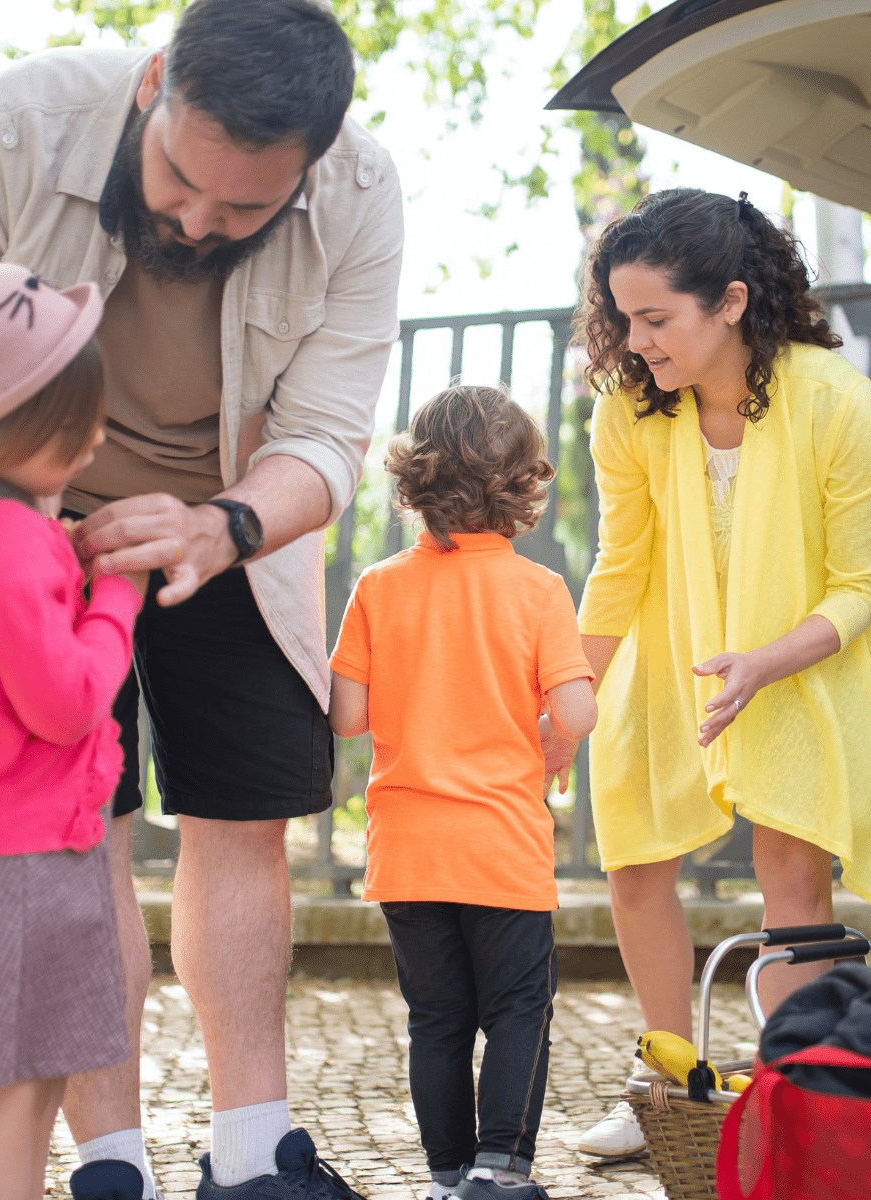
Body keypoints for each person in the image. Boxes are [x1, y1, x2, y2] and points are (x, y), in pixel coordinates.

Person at [0, 2, 403, 1196]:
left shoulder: (361, 196)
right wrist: (42, 543)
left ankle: (254, 1156)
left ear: (311, 169)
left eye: (244, 208)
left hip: (236, 516)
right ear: (150, 87)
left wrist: (219, 527)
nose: (197, 220)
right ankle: (109, 1164)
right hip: (23, 519)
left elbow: (332, 433)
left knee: (246, 816)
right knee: (83, 831)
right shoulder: (14, 130)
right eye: (181, 178)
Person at [550, 188, 871, 1160]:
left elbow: (863, 583)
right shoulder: (628, 408)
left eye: (655, 319)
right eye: (623, 317)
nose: (636, 340)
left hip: (802, 663)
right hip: (672, 653)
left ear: (730, 302)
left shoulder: (835, 399)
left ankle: (797, 1097)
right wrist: (572, 696)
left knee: (791, 878)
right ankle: (668, 1087)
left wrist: (767, 661)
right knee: (636, 866)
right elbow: (622, 562)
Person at [0, 231, 149, 1200]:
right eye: (77, 423)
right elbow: (64, 704)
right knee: (16, 1109)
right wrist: (118, 596)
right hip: (16, 865)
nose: (95, 440)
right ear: (8, 427)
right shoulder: (6, 540)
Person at [329, 385, 598, 1200]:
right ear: (522, 487)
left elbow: (347, 718)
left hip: (408, 849)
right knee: (518, 1007)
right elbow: (577, 709)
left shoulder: (379, 586)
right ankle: (501, 1168)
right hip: (501, 846)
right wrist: (549, 730)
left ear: (414, 482)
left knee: (436, 1019)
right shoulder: (539, 590)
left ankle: (447, 1175)